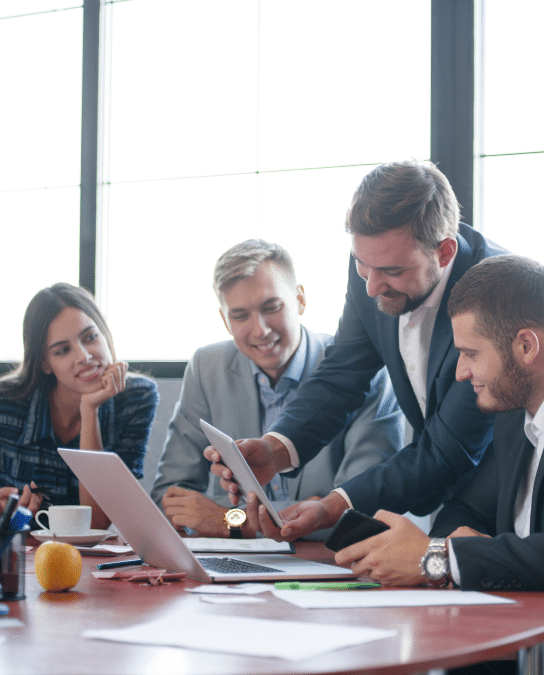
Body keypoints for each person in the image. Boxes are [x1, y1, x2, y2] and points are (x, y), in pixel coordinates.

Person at [335, 255, 544, 675]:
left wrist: (439, 558)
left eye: (470, 353)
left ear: (526, 346)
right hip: (524, 636)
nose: (461, 372)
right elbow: (466, 511)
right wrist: (431, 556)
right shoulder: (516, 411)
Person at [207, 160, 508, 541]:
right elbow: (342, 376)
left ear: (445, 252)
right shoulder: (375, 264)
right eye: (362, 265)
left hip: (507, 497)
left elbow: (449, 451)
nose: (371, 287)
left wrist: (331, 506)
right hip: (451, 499)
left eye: (392, 272)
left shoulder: (496, 290)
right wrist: (274, 450)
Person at [151, 239, 405, 538]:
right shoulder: (207, 367)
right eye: (240, 315)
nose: (260, 330)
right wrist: (307, 507)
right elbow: (170, 499)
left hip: (328, 566)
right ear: (224, 319)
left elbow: (365, 512)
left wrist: (231, 522)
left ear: (300, 299)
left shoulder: (360, 368)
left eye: (271, 307)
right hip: (236, 571)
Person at [0, 283, 159, 529]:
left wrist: (90, 411)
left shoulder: (136, 398)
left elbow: (97, 522)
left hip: (93, 561)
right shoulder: (6, 403)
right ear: (44, 363)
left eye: (90, 337)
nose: (84, 356)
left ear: (104, 334)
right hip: (22, 553)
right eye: (63, 350)